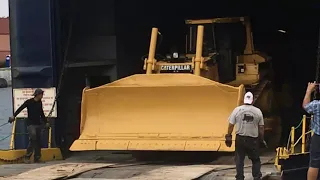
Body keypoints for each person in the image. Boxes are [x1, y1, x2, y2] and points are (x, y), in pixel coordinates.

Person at [225, 91, 266, 180]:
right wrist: (261, 139)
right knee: (255, 160)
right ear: (252, 101)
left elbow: (231, 124)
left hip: (240, 139)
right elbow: (261, 127)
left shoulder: (237, 110)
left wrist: (228, 135)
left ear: (244, 100)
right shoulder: (258, 111)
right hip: (253, 140)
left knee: (239, 160)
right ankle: (256, 176)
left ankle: (239, 177)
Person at [8, 88, 50, 163]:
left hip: (38, 124)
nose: (42, 95)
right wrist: (14, 116)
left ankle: (37, 158)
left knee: (37, 140)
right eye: (41, 94)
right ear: (37, 95)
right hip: (31, 124)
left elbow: (41, 113)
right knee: (33, 137)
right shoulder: (29, 102)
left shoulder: (39, 103)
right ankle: (27, 157)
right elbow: (20, 108)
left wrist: (46, 122)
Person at [302, 82, 320, 180]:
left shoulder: (317, 105)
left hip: (318, 137)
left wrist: (309, 90)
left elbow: (305, 106)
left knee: (314, 163)